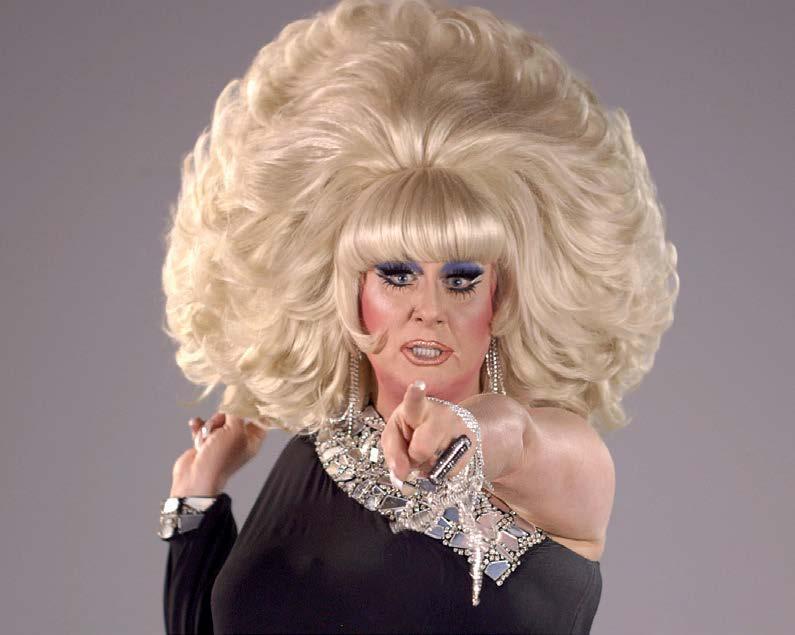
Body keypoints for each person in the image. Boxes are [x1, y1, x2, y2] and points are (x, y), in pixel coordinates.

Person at [158, 0, 679, 632]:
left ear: (503, 299)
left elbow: (517, 436)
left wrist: (470, 432)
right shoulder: (312, 459)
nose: (428, 309)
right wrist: (197, 494)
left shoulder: (567, 459)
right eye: (396, 274)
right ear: (346, 291)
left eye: (461, 279)